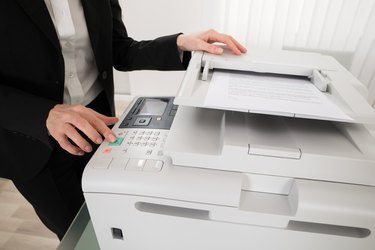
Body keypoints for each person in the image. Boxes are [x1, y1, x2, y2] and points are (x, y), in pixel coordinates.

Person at [0, 0, 246, 240]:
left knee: (115, 224)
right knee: (83, 236)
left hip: (100, 123)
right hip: (31, 140)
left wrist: (179, 45)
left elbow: (119, 49)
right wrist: (43, 113)